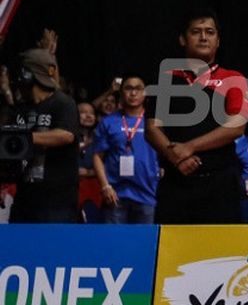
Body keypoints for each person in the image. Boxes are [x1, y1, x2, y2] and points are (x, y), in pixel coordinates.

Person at [145, 7, 248, 224]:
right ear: (183, 39)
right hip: (175, 184)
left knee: (222, 255)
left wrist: (189, 147)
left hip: (220, 187)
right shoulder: (165, 78)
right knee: (171, 254)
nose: (203, 37)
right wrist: (175, 157)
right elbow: (152, 128)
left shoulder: (234, 78)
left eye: (210, 32)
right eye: (196, 31)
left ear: (218, 41)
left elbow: (237, 126)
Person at [10, 49, 80, 223]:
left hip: (56, 203)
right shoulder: (21, 108)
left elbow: (66, 135)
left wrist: (24, 139)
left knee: (54, 249)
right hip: (25, 198)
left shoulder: (63, 103)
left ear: (26, 75)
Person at [93, 73, 159, 223]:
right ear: (121, 92)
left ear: (145, 92)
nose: (133, 93)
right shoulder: (108, 122)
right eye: (128, 88)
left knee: (144, 243)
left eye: (138, 88)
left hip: (147, 193)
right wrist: (105, 186)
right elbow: (97, 156)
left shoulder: (154, 122)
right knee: (114, 243)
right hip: (115, 194)